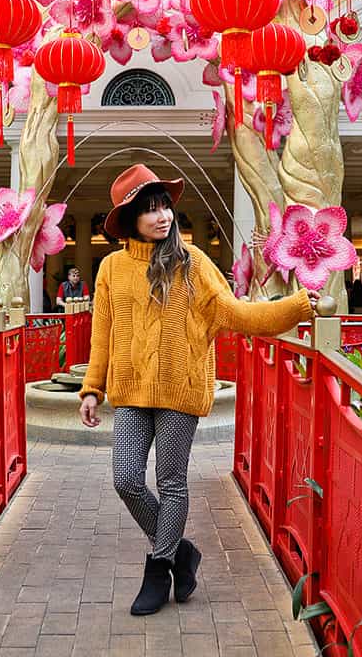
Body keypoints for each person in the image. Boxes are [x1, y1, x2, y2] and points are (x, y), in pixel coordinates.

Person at [78, 165, 315, 618]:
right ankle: (182, 551)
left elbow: (237, 315)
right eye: (149, 210)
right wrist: (92, 388)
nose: (162, 216)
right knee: (125, 479)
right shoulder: (111, 268)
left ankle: (159, 565)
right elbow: (102, 333)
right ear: (130, 219)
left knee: (170, 482)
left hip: (180, 389)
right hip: (130, 391)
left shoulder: (194, 263)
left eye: (165, 205)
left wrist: (301, 304)